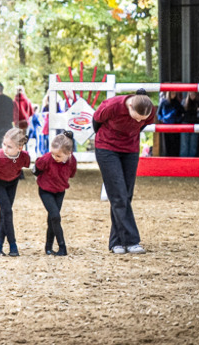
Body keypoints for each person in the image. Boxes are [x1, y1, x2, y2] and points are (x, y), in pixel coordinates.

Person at [93, 89, 155, 254]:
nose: (138, 121)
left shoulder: (149, 112)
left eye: (141, 120)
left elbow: (142, 126)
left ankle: (116, 242)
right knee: (118, 194)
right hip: (107, 148)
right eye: (136, 117)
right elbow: (96, 121)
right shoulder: (113, 106)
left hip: (130, 150)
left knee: (125, 195)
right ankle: (131, 240)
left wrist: (131, 135)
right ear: (130, 106)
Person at [0, 127, 30, 257]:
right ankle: (13, 245)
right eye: (4, 144)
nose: (5, 148)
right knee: (7, 211)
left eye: (9, 146)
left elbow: (23, 166)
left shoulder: (24, 157)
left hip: (12, 182)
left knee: (5, 213)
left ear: (20, 148)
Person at [35, 131, 78, 256]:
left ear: (68, 154)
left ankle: (48, 247)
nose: (55, 157)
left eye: (58, 156)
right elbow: (38, 166)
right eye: (53, 154)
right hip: (45, 190)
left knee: (52, 219)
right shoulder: (47, 158)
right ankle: (62, 247)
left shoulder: (72, 161)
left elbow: (72, 174)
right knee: (55, 216)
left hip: (59, 191)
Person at [157, 92, 184, 157]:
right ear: (168, 94)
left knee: (175, 142)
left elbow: (182, 113)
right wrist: (162, 119)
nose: (173, 95)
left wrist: (178, 120)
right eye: (172, 93)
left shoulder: (177, 103)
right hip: (166, 126)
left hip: (175, 126)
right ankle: (168, 157)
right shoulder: (163, 102)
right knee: (167, 142)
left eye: (174, 93)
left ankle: (175, 157)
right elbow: (158, 113)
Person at [180, 92, 199, 157]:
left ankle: (192, 158)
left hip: (195, 124)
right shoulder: (184, 102)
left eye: (194, 94)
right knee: (184, 143)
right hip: (185, 124)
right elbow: (181, 112)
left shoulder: (198, 103)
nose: (192, 95)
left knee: (193, 143)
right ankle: (183, 158)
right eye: (191, 94)